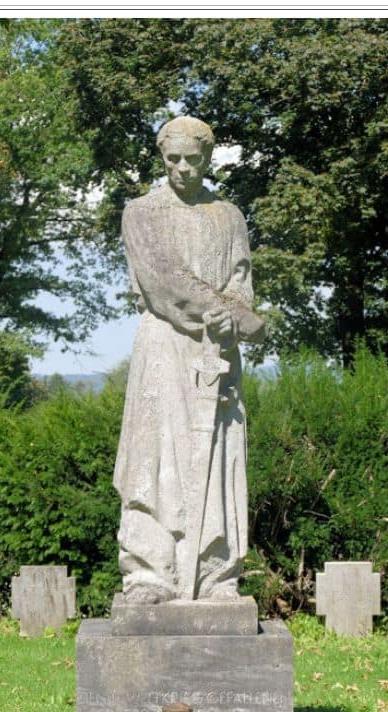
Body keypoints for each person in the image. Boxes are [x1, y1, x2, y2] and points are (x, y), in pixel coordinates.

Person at [114, 116, 265, 603]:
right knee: (155, 458)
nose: (181, 168)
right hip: (164, 349)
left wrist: (235, 315)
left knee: (219, 456)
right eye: (171, 159)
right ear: (161, 158)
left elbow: (241, 277)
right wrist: (224, 312)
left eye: (191, 159)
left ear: (207, 157)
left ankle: (216, 575)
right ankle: (149, 573)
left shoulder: (229, 216)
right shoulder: (142, 212)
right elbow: (163, 281)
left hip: (216, 354)